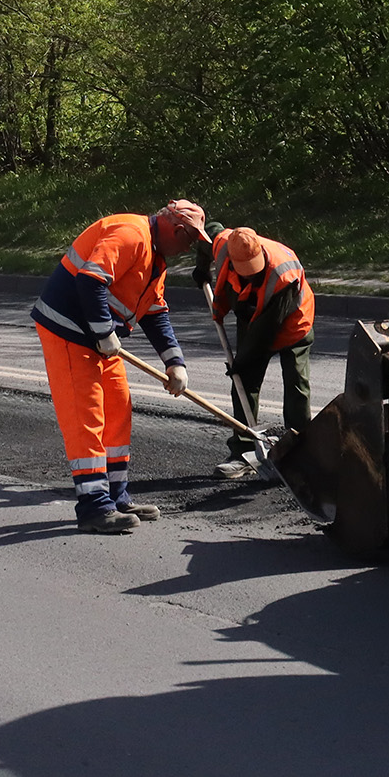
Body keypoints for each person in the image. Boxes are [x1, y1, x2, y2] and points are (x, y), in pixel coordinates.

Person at [33, 201, 205, 533]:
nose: (189, 248)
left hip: (99, 338)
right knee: (88, 415)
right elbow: (90, 280)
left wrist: (175, 363)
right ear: (177, 230)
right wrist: (103, 331)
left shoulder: (156, 259)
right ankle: (94, 508)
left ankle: (115, 496)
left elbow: (155, 312)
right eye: (190, 241)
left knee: (118, 409)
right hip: (68, 330)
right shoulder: (131, 234)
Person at [197, 226, 315, 480]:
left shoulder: (282, 274)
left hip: (293, 322)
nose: (252, 274)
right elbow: (206, 234)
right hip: (251, 312)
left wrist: (243, 361)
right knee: (244, 382)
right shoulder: (224, 245)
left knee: (296, 382)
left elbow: (265, 332)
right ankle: (244, 450)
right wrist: (201, 268)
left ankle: (299, 451)